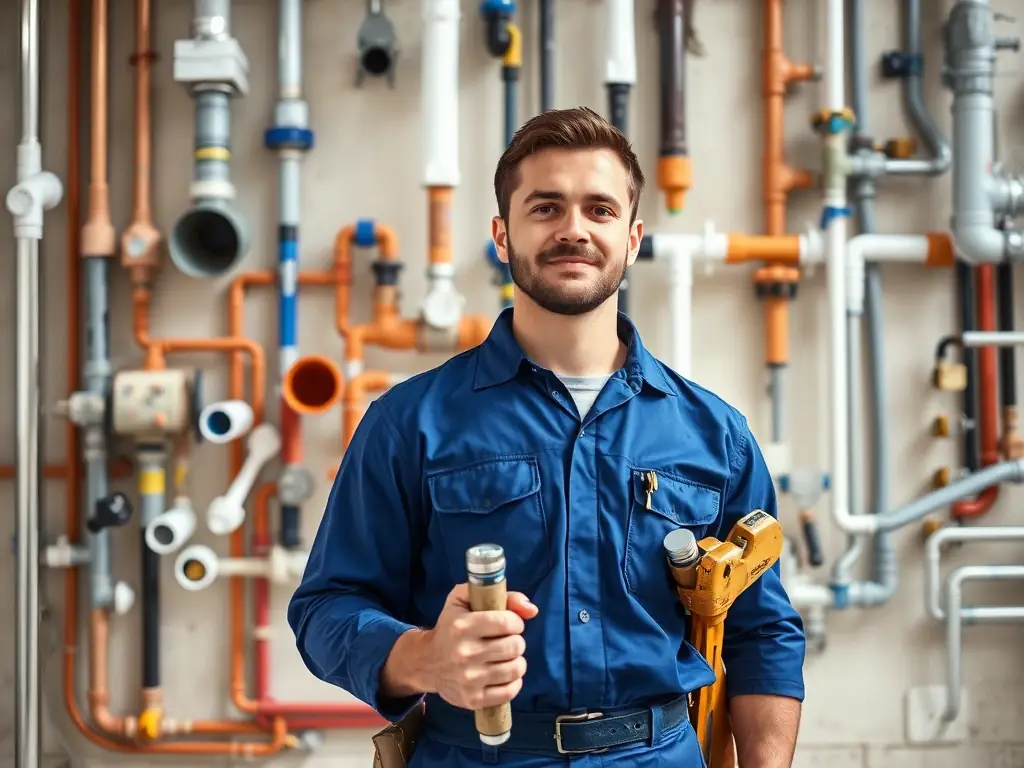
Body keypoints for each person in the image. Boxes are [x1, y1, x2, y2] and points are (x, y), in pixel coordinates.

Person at [288, 106, 806, 767]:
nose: (574, 230)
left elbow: (762, 633)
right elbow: (326, 609)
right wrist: (428, 659)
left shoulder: (715, 434)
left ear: (634, 235)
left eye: (599, 209)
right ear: (502, 236)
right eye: (546, 208)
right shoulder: (409, 424)